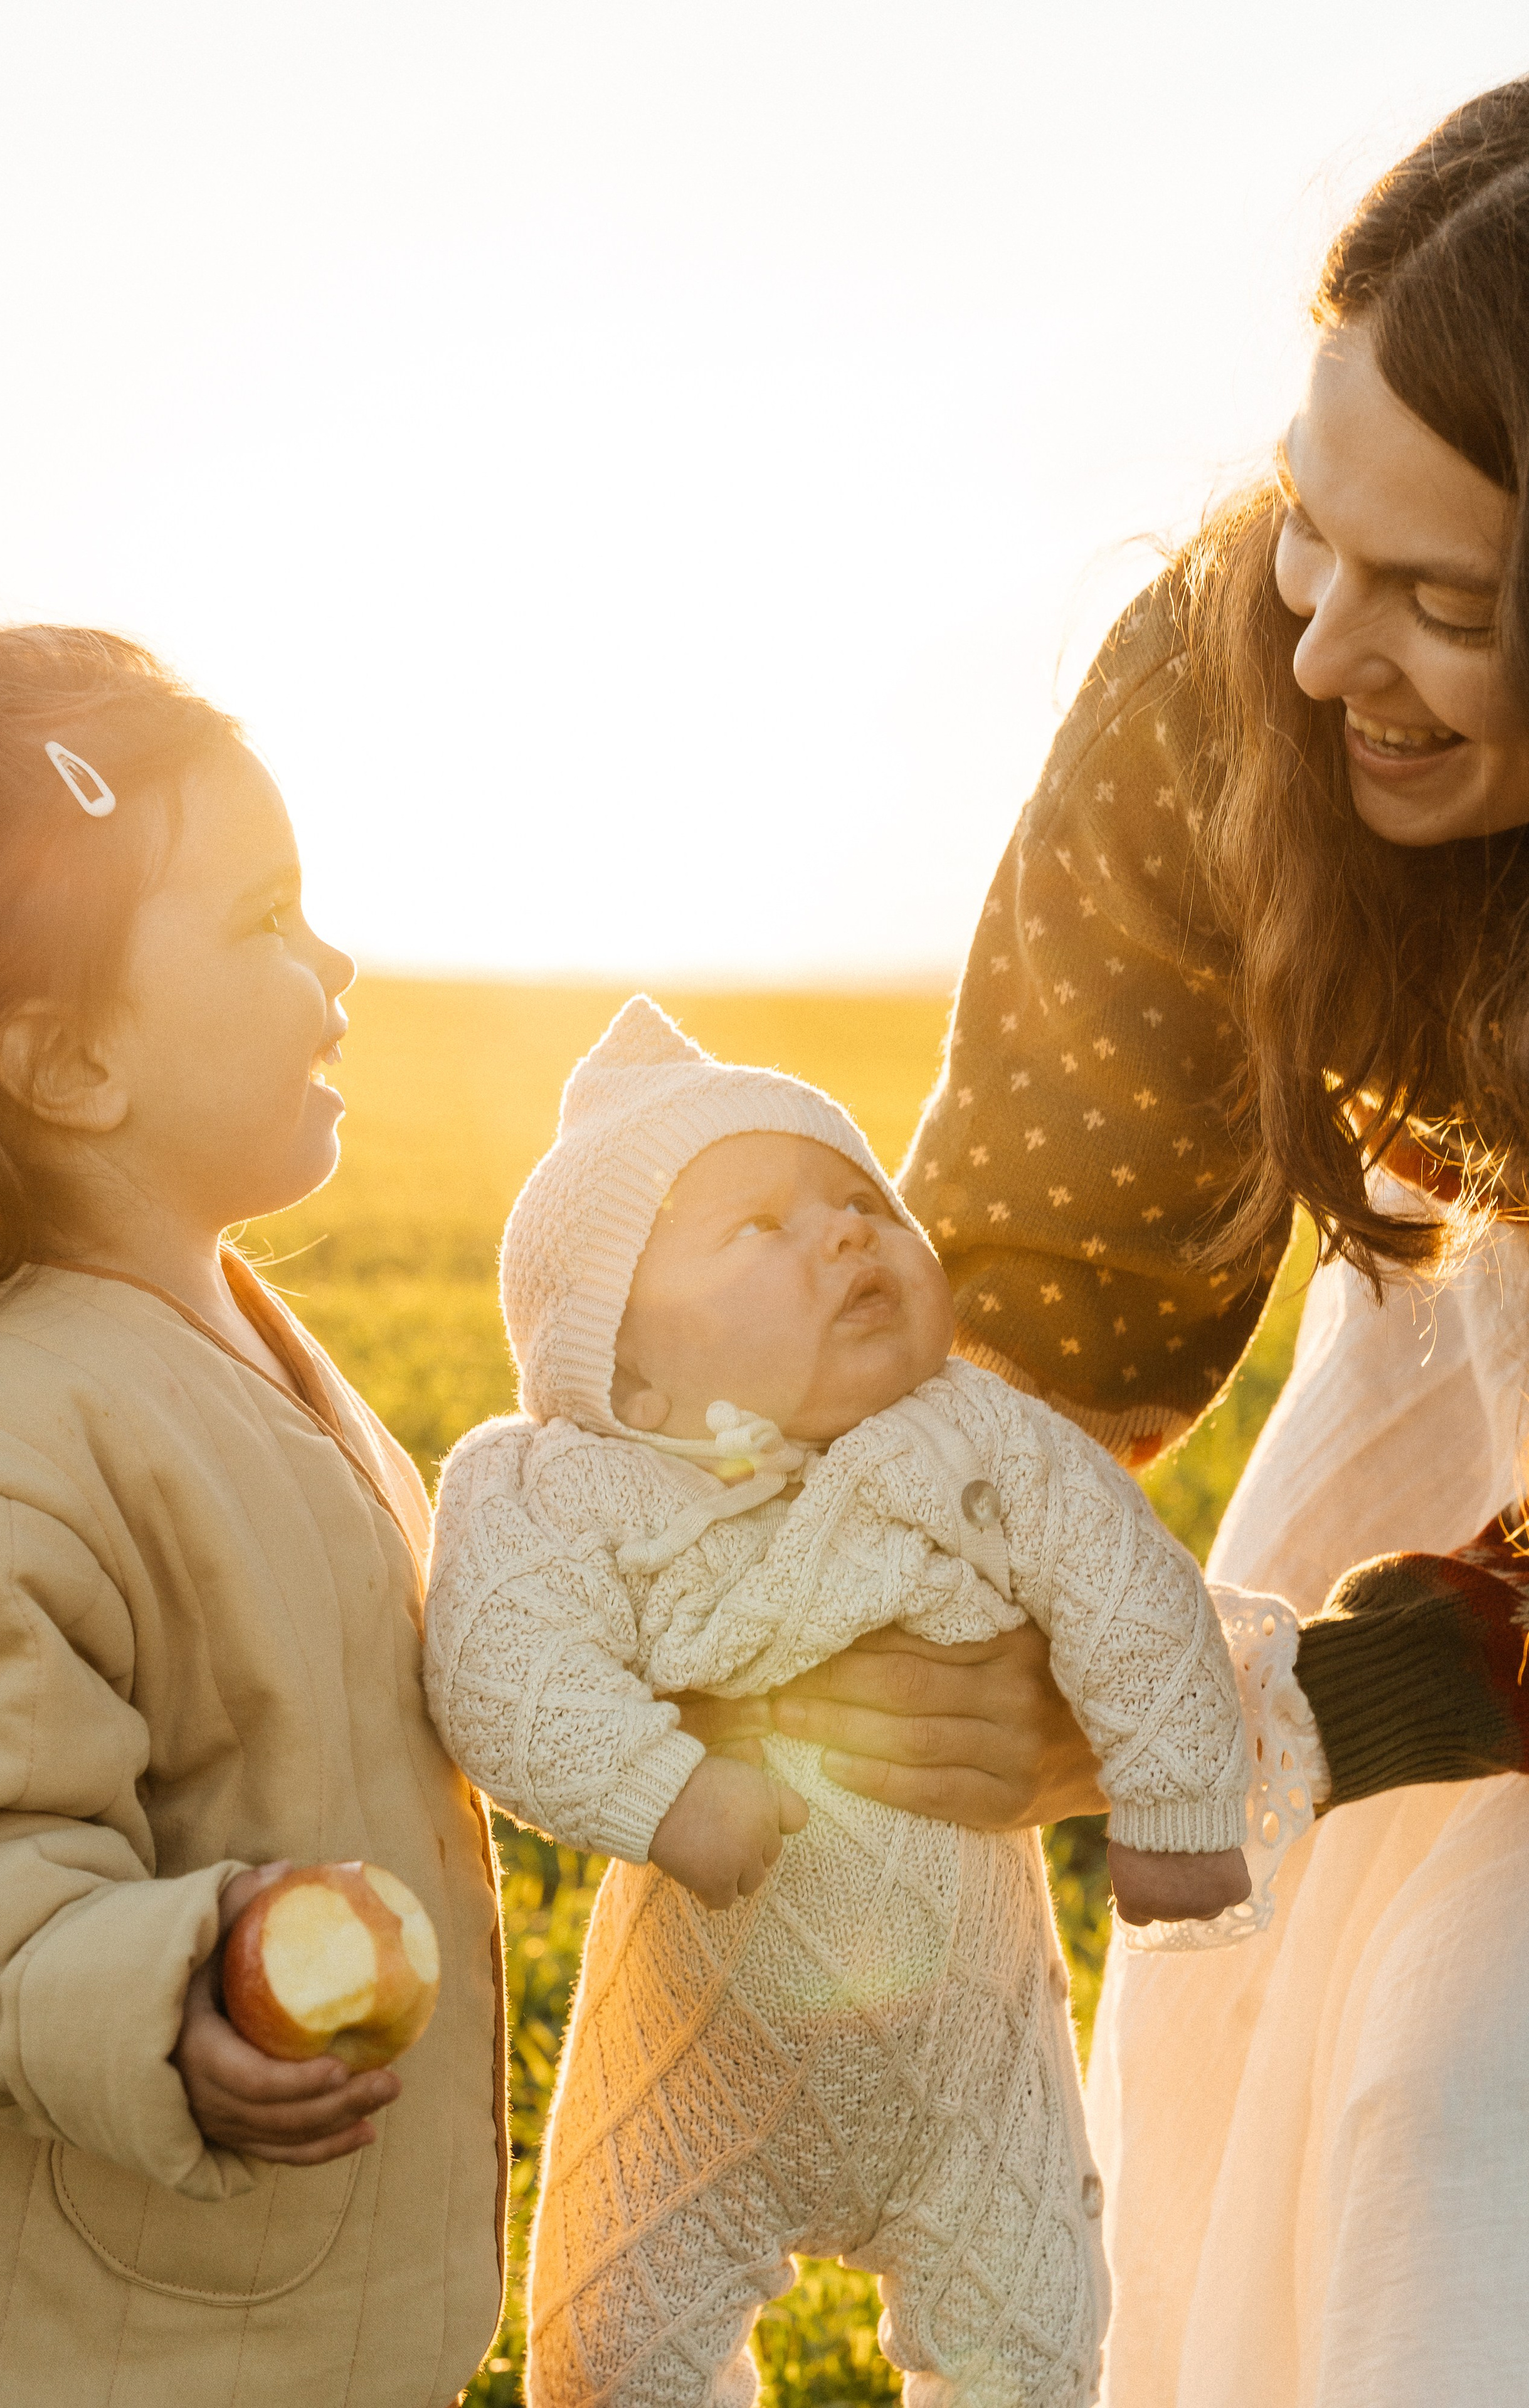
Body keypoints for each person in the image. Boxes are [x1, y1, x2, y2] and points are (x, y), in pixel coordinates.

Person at [680, 75, 1529, 2408]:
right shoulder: (1225, 674)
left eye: (1446, 602)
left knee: (1458, 2088)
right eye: (1312, 531)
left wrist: (1252, 1704)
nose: (1329, 642)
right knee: (1260, 2041)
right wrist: (884, 1583)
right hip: (1458, 1361)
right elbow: (1055, 1280)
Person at [423, 995, 1300, 2408]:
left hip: (972, 2063)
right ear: (624, 1374)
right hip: (698, 2052)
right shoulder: (564, 1488)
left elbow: (1130, 1589)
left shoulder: (984, 1435)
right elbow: (496, 1661)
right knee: (607, 2351)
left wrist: (1180, 1796)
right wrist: (661, 1793)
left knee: (1029, 2341)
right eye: (755, 1229)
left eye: (859, 1201)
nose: (840, 1231)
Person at [0, 627, 504, 2408]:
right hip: (127, 2353)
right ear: (69, 1066)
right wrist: (164, 1980)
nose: (332, 959)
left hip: (307, 2303)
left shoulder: (237, 1329)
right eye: (264, 921)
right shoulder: (5, 1447)